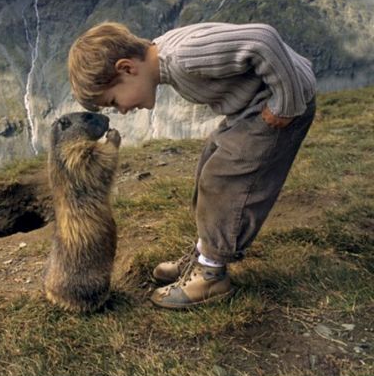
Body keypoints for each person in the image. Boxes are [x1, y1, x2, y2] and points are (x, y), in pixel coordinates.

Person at [68, 21, 316, 309]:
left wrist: (286, 102)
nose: (121, 110)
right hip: (250, 107)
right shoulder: (164, 56)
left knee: (224, 181)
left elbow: (263, 38)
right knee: (208, 168)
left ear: (126, 68)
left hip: (278, 104)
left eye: (114, 101)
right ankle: (203, 255)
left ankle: (212, 274)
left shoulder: (185, 57)